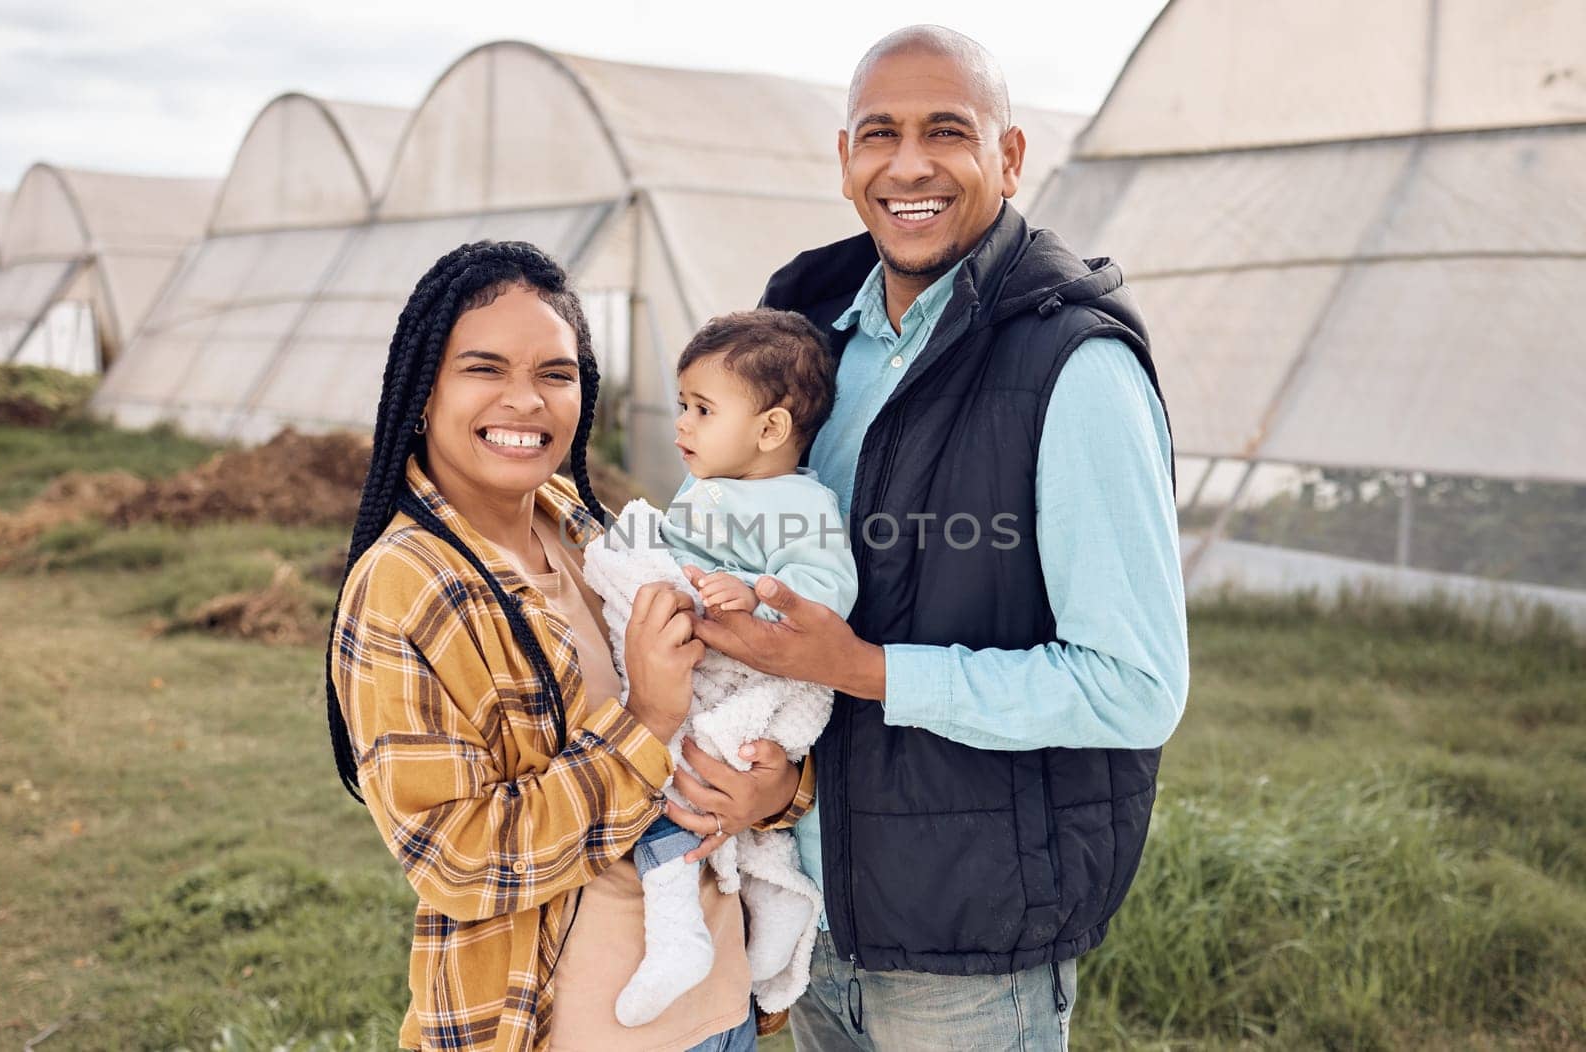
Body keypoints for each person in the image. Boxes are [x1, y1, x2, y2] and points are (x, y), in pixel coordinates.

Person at [691, 26, 1191, 1051]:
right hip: (807, 907)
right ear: (844, 160)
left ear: (1008, 158)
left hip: (968, 951)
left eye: (946, 132)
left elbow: (1134, 683)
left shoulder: (1073, 365)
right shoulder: (802, 330)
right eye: (880, 133)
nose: (907, 163)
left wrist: (867, 667)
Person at [323, 241, 809, 1051]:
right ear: (423, 389)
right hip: (584, 1030)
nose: (527, 402)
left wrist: (775, 790)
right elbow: (458, 858)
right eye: (485, 369)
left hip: (725, 1013)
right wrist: (645, 721)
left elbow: (730, 704)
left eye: (556, 373)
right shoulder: (406, 584)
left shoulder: (588, 530)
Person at [612, 308, 858, 1027]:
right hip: (691, 657)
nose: (681, 424)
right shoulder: (709, 484)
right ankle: (735, 928)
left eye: (701, 409)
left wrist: (755, 594)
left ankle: (678, 928)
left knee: (680, 785)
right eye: (683, 405)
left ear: (771, 430)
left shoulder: (802, 507)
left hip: (751, 682)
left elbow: (828, 594)